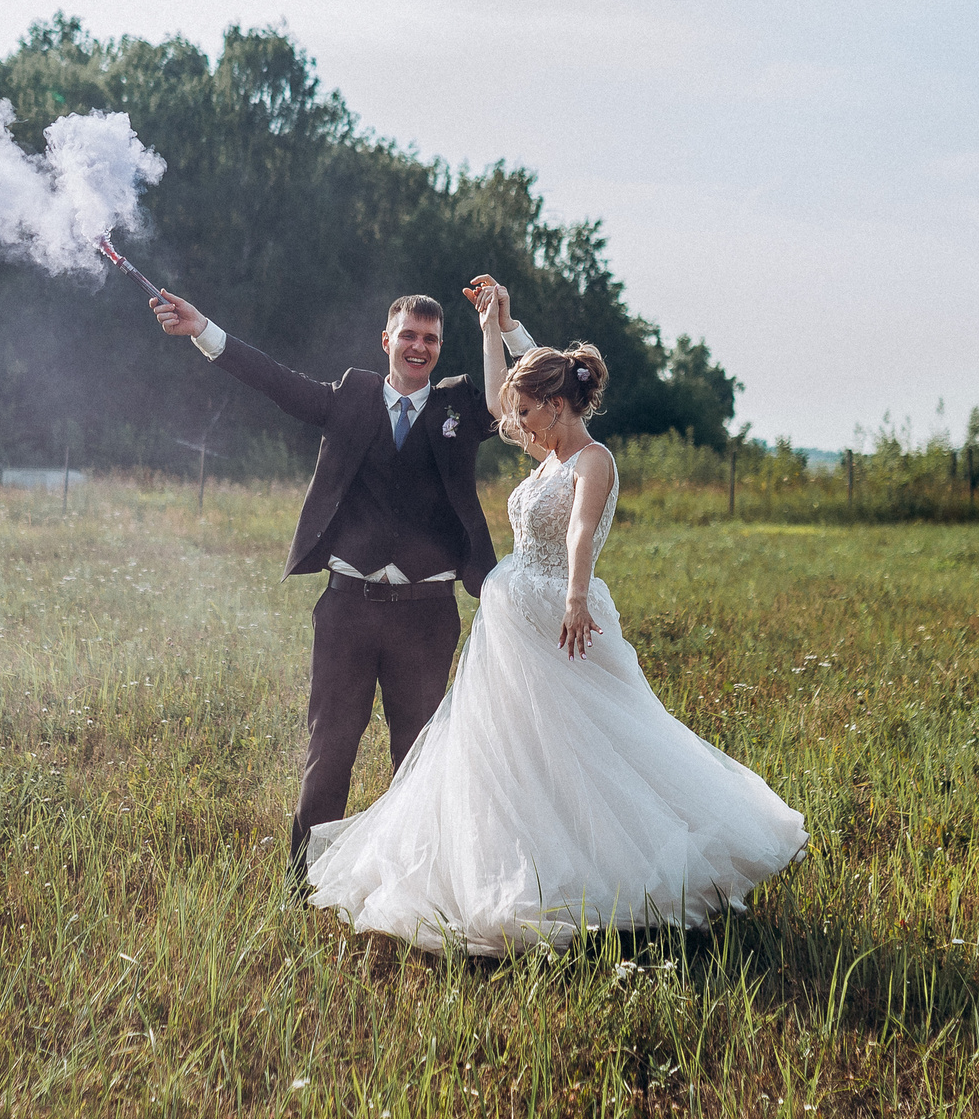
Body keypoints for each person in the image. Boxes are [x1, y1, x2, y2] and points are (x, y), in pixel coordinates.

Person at [300, 287, 807, 955]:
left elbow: (581, 534)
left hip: (556, 616)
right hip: (511, 623)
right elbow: (499, 400)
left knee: (580, 746)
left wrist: (573, 597)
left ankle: (609, 870)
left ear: (561, 406)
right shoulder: (551, 453)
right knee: (513, 752)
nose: (521, 423)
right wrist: (496, 331)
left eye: (533, 410)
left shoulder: (591, 463)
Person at [149, 278, 537, 876]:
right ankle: (303, 885)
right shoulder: (350, 396)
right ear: (386, 340)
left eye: (431, 339)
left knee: (419, 756)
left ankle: (418, 885)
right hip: (347, 610)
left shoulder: (463, 406)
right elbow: (272, 379)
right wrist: (203, 330)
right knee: (329, 753)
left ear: (440, 348)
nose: (419, 346)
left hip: (427, 616)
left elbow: (530, 388)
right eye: (408, 335)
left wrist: (503, 328)